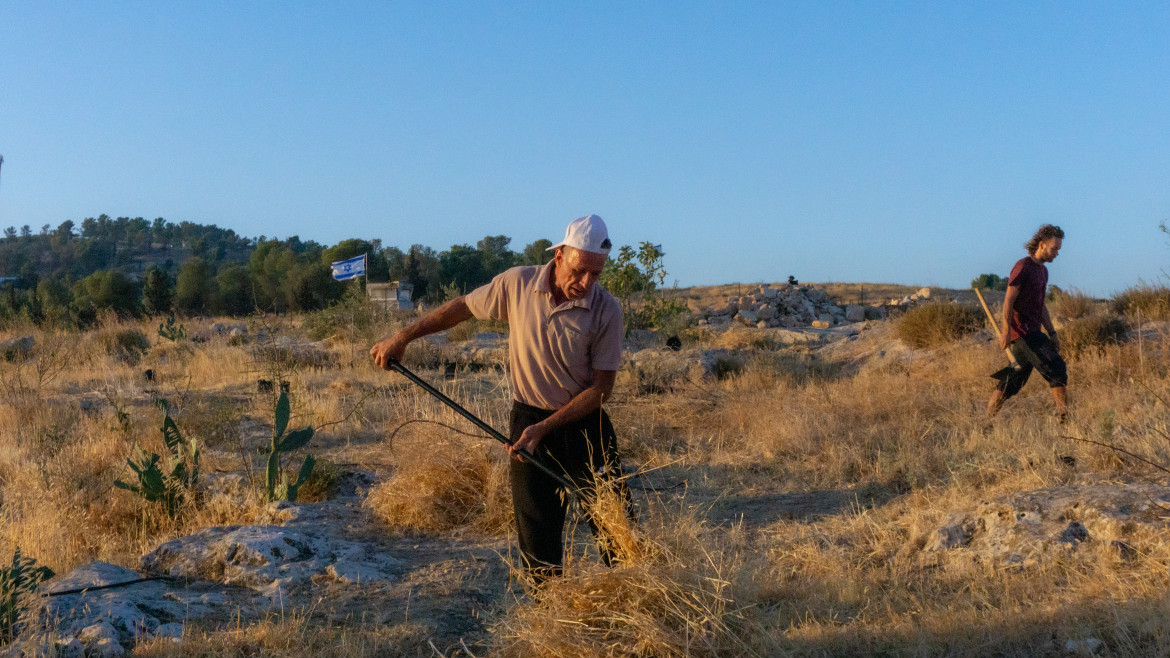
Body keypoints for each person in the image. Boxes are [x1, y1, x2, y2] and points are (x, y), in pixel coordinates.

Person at [370, 214, 633, 582]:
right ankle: (550, 618)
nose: (587, 282)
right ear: (559, 256)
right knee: (537, 539)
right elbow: (462, 307)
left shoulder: (607, 310)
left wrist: (547, 427)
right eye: (579, 270)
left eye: (596, 274)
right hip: (528, 421)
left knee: (619, 536)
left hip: (585, 424)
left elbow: (601, 389)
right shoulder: (518, 283)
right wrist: (403, 337)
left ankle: (632, 605)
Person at [986, 224, 1068, 421]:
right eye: (1054, 248)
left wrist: (1052, 333)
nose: (1057, 253)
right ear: (1041, 244)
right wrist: (1006, 331)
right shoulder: (1023, 267)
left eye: (1058, 249)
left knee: (1012, 380)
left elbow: (1041, 307)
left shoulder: (1043, 272)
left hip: (1033, 331)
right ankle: (1065, 418)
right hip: (1023, 332)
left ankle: (985, 422)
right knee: (1056, 368)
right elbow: (1008, 300)